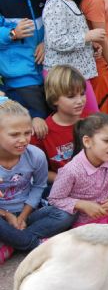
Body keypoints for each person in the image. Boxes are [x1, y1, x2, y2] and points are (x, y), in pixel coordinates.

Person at [0, 98, 75, 263]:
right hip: (2, 216)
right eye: (14, 134)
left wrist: (23, 217)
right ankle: (31, 243)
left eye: (27, 133)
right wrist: (7, 216)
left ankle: (13, 242)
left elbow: (39, 186)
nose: (23, 139)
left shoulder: (35, 155)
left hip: (28, 212)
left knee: (67, 213)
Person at [38, 0, 100, 115]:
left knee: (85, 121)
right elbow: (56, 41)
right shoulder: (55, 4)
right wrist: (87, 36)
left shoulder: (69, 1)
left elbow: (71, 34)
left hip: (74, 75)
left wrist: (90, 45)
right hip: (64, 77)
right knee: (91, 120)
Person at [0, 0, 48, 138]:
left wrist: (47, 43)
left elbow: (52, 22)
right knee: (37, 127)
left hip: (47, 70)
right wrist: (11, 33)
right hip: (19, 77)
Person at [31, 65, 87, 184]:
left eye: (82, 94)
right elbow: (36, 172)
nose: (79, 101)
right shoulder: (42, 131)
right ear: (54, 98)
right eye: (71, 96)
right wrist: (65, 180)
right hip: (60, 188)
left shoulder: (90, 123)